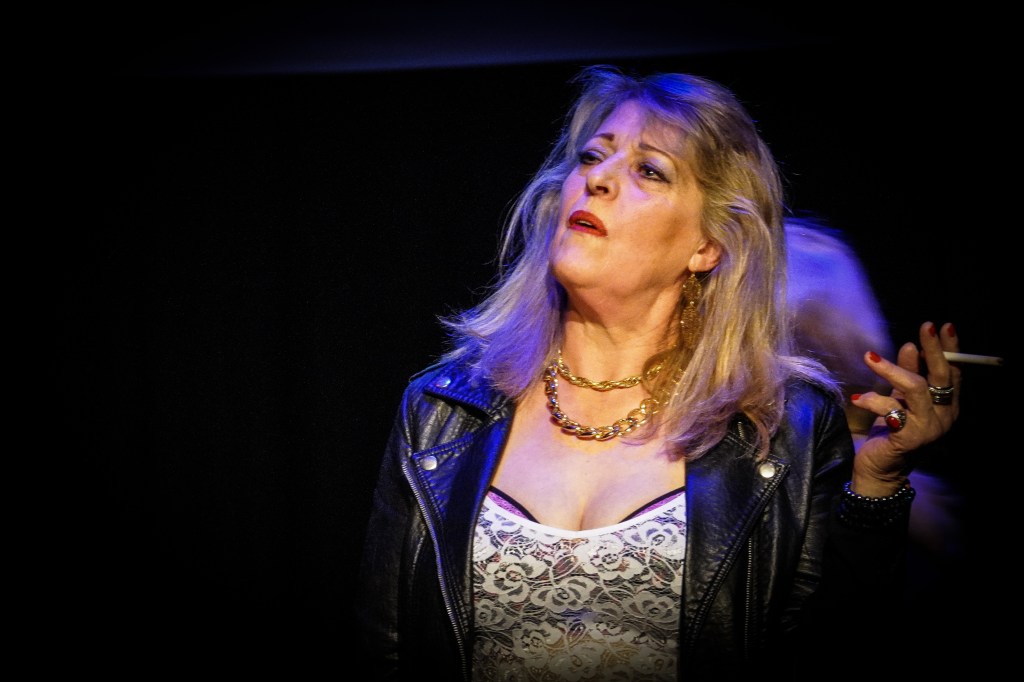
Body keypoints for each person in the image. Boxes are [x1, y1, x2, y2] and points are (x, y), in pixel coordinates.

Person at [355, 65, 962, 680]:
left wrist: (878, 487)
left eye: (649, 170)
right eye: (593, 156)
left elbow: (836, 652)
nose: (598, 179)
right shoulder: (442, 411)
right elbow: (388, 646)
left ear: (707, 246)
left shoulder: (784, 427)